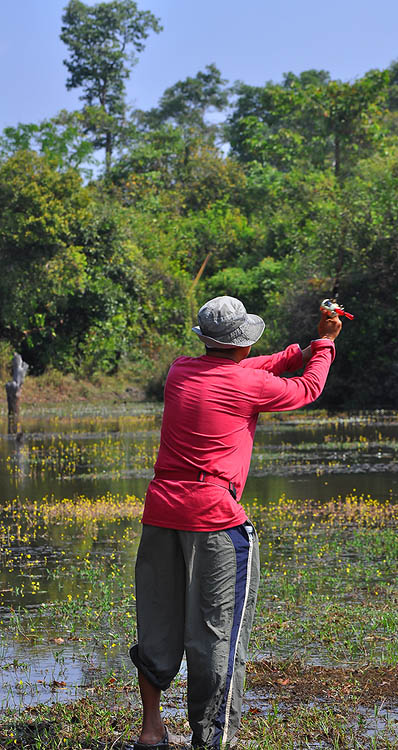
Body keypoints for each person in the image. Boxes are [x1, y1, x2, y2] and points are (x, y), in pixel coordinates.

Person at [129, 295, 342, 750]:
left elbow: (245, 369)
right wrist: (323, 346)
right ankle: (212, 742)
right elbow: (306, 389)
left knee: (157, 625)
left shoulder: (180, 370)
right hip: (215, 519)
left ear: (206, 340)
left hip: (161, 511)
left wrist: (295, 351)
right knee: (217, 633)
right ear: (242, 342)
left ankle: (151, 731)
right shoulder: (245, 386)